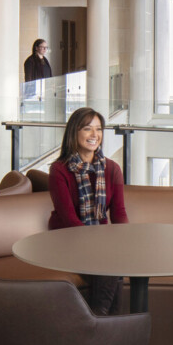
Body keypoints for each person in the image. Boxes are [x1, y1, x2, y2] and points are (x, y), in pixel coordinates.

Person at [48, 107, 127, 315]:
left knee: (115, 262)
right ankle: (102, 322)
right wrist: (98, 247)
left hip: (99, 241)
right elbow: (68, 219)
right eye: (87, 129)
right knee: (110, 264)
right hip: (66, 239)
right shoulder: (59, 170)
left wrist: (128, 243)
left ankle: (98, 321)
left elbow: (119, 214)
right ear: (75, 133)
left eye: (99, 129)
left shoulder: (111, 169)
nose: (95, 135)